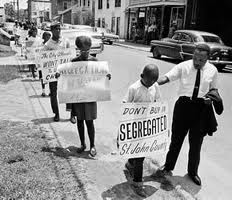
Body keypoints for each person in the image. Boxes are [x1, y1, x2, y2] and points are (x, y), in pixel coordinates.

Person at [155, 44, 221, 186]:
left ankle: (192, 172)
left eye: (201, 60)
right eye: (195, 58)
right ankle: (168, 166)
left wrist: (211, 98)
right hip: (183, 107)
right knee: (176, 140)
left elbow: (214, 89)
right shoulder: (184, 66)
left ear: (207, 59)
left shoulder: (213, 70)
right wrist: (153, 83)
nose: (197, 62)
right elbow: (167, 77)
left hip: (201, 109)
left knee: (196, 144)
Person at [64, 35, 111, 157]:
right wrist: (70, 109)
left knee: (89, 122)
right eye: (82, 50)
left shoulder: (95, 62)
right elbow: (69, 84)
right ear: (78, 49)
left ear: (90, 49)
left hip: (90, 99)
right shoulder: (74, 62)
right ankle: (82, 144)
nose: (85, 53)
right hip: (78, 99)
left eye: (87, 50)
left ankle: (92, 145)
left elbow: (101, 77)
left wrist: (106, 77)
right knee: (80, 122)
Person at [123, 64, 161, 197]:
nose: (151, 83)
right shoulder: (134, 88)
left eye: (153, 81)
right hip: (135, 124)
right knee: (140, 154)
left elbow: (157, 101)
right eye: (148, 80)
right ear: (141, 76)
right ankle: (138, 183)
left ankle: (130, 163)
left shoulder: (155, 86)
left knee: (140, 152)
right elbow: (125, 106)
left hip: (148, 125)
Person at [43, 21, 70, 122]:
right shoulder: (48, 45)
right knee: (53, 93)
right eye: (56, 29)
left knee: (68, 91)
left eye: (59, 29)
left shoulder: (65, 41)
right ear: (52, 30)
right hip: (53, 73)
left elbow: (69, 54)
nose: (58, 31)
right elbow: (43, 59)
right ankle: (56, 114)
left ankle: (71, 113)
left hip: (64, 71)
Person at [39, 31, 51, 97]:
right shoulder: (40, 45)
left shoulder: (50, 46)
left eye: (49, 37)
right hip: (42, 64)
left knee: (50, 78)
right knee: (43, 78)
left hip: (49, 64)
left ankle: (50, 91)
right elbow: (38, 55)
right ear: (44, 37)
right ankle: (43, 91)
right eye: (47, 37)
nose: (48, 38)